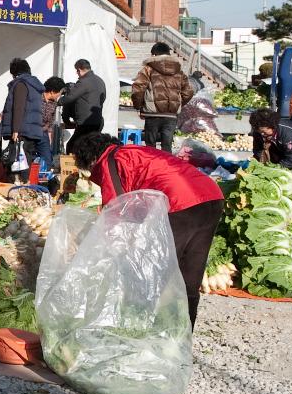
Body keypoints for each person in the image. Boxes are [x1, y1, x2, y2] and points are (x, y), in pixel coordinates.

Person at [69, 131, 224, 326]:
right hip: (211, 197)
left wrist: (99, 249)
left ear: (90, 158)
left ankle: (151, 328)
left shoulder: (109, 160)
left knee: (157, 270)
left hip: (181, 203)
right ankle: (183, 332)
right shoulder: (135, 152)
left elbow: (115, 209)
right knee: (191, 271)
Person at [130, 42, 193, 152]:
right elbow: (188, 92)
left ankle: (152, 168)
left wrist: (138, 106)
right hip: (171, 115)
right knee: (167, 147)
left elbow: (138, 88)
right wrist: (177, 103)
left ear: (154, 55)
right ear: (168, 54)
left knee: (150, 147)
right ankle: (166, 168)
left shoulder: (148, 69)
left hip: (152, 113)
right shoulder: (179, 71)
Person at [0, 58, 47, 177]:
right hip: (31, 130)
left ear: (14, 73)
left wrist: (15, 129)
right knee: (26, 160)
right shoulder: (34, 85)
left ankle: (18, 188)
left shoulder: (21, 84)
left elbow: (18, 107)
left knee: (17, 162)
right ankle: (25, 187)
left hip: (22, 130)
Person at [59, 58, 107, 153]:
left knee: (72, 146)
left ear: (79, 70)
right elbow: (103, 98)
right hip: (98, 120)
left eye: (77, 71)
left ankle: (74, 167)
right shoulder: (100, 80)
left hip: (85, 121)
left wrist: (57, 102)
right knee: (90, 146)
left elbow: (70, 97)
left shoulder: (83, 82)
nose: (77, 74)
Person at [41, 76, 66, 167]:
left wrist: (50, 134)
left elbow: (51, 120)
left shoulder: (54, 103)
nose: (60, 95)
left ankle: (44, 178)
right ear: (52, 91)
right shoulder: (37, 98)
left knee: (47, 159)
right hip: (32, 132)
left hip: (43, 133)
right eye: (59, 92)